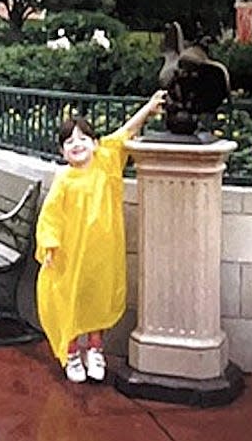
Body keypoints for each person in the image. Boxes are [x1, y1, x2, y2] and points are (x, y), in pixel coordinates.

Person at [34, 89, 167, 383]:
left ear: (95, 143)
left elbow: (126, 131)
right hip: (71, 254)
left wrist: (147, 108)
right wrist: (50, 245)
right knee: (71, 301)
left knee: (98, 299)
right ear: (61, 152)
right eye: (69, 142)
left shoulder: (107, 161)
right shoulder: (64, 179)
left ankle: (95, 349)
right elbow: (51, 215)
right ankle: (71, 353)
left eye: (83, 139)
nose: (76, 145)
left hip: (103, 252)